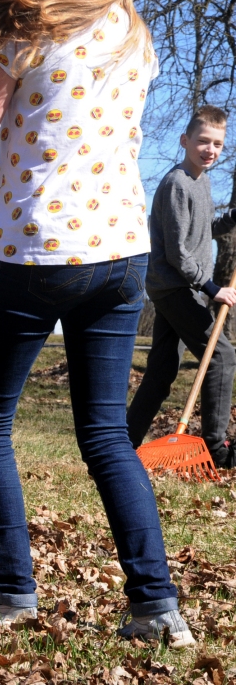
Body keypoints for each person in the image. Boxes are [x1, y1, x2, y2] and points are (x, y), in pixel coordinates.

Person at [0, 0, 194, 647]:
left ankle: (14, 593)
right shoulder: (134, 34)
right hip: (122, 253)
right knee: (107, 434)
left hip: (40, 251)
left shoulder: (27, 30)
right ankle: (156, 607)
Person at [127, 107, 236, 469]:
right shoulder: (177, 183)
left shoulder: (201, 182)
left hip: (182, 287)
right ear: (185, 140)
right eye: (203, 141)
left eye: (218, 144)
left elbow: (203, 231)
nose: (210, 149)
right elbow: (177, 253)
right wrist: (212, 287)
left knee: (161, 373)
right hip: (176, 287)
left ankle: (123, 443)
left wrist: (232, 218)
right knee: (222, 356)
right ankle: (216, 448)